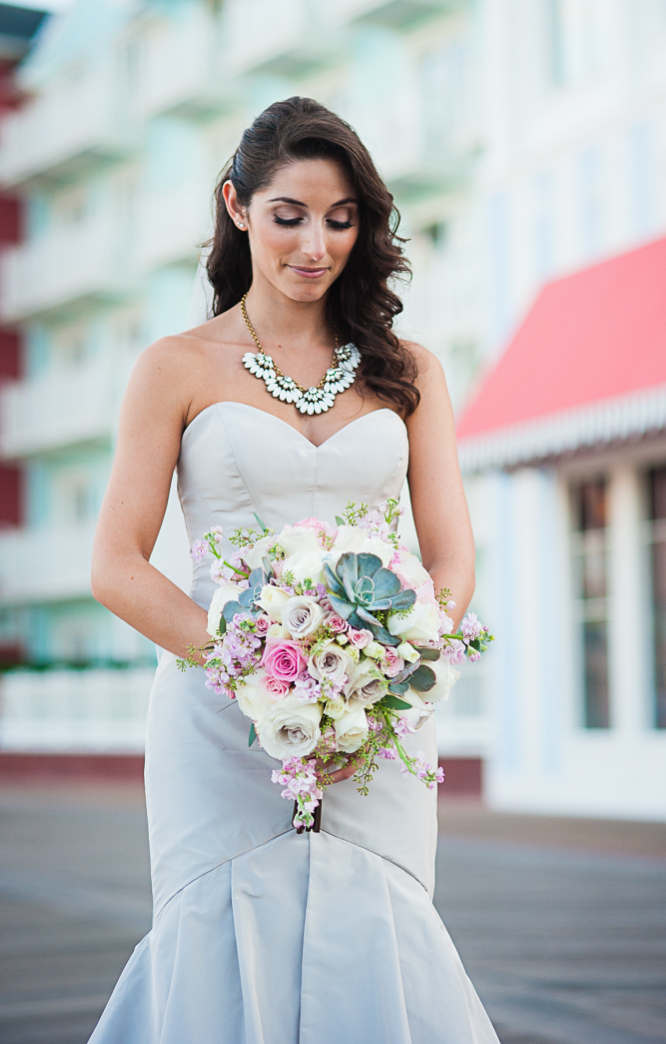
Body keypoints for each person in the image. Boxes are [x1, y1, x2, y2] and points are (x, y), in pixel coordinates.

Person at [87, 97, 498, 1042]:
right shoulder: (175, 367)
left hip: (377, 722)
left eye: (341, 218)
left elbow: (451, 557)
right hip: (218, 716)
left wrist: (387, 678)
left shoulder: (410, 371)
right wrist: (262, 669)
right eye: (290, 215)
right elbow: (115, 565)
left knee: (381, 927)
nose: (317, 244)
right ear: (237, 207)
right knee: (221, 938)